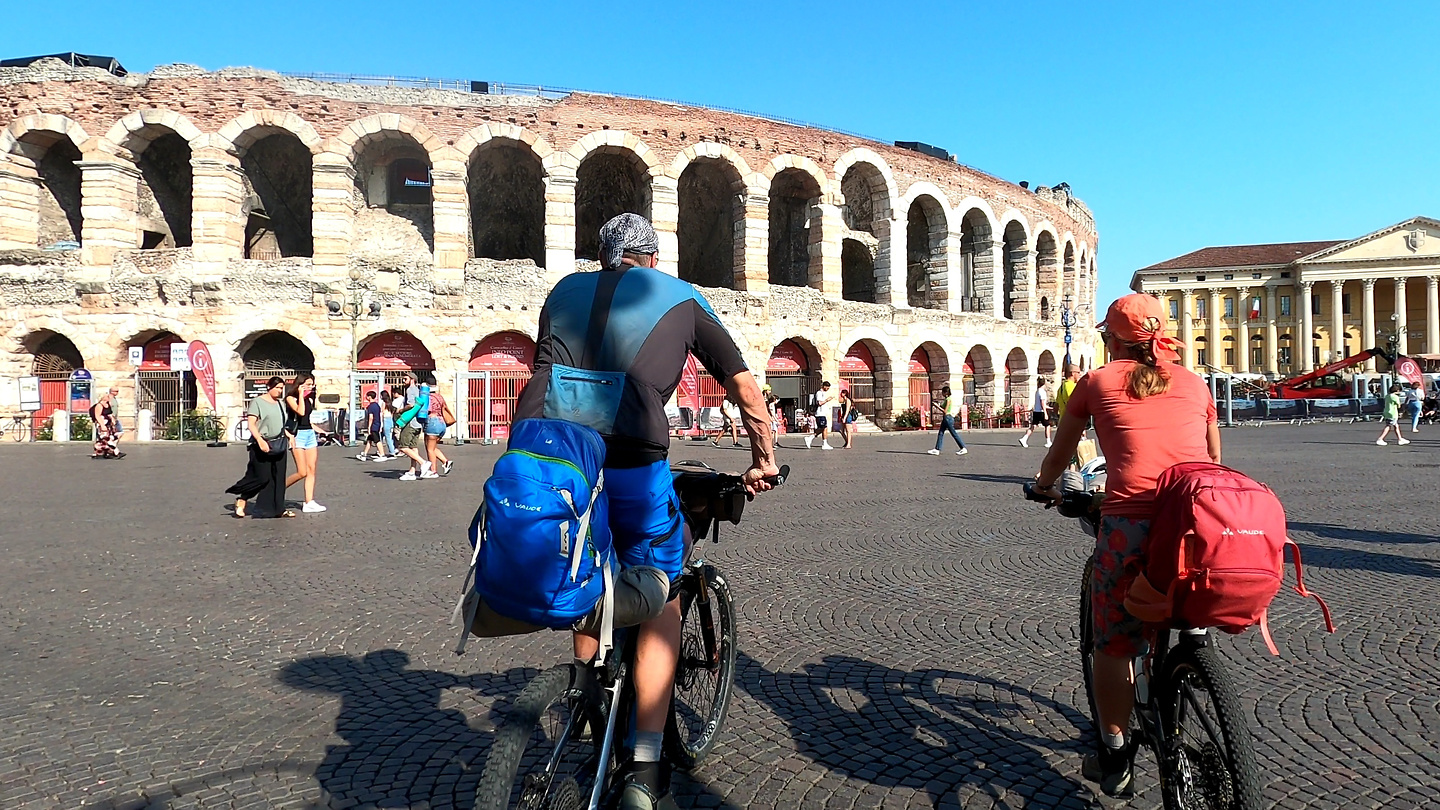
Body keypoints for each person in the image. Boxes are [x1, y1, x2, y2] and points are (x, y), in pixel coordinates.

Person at [507, 213, 778, 808]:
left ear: (604, 257)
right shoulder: (681, 299)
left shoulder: (562, 291)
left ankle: (585, 695)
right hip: (632, 459)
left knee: (579, 561)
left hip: (545, 458)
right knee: (661, 589)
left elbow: (545, 370)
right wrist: (764, 456)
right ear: (652, 257)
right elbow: (743, 387)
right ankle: (646, 764)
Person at [1031, 293, 1221, 797]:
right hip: (1202, 520)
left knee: (1113, 645)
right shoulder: (1195, 383)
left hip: (1131, 524)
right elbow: (1213, 459)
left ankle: (1115, 755)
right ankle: (1195, 645)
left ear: (1112, 339)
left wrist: (1044, 486)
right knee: (1189, 604)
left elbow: (1060, 454)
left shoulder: (1096, 383)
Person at [226, 377, 294, 519]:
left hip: (279, 444)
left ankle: (278, 509)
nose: (279, 391)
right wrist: (260, 440)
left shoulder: (280, 404)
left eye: (282, 388)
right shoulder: (257, 402)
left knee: (278, 478)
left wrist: (290, 436)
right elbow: (251, 424)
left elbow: (281, 424)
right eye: (277, 387)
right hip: (261, 444)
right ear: (269, 387)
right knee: (262, 477)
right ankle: (242, 499)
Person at [283, 372, 326, 513]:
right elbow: (300, 412)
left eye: (311, 385)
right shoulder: (291, 398)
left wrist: (320, 430)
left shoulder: (310, 400)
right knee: (302, 471)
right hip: (297, 435)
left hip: (309, 435)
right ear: (299, 384)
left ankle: (309, 502)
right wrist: (301, 394)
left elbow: (307, 419)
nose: (310, 387)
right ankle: (278, 489)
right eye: (307, 384)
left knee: (311, 469)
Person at [394, 372, 432, 480]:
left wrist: (400, 410)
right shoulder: (419, 390)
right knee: (413, 447)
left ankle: (423, 463)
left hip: (410, 422)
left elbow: (411, 405)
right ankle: (412, 471)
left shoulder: (410, 390)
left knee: (403, 446)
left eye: (405, 378)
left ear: (412, 379)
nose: (403, 380)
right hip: (418, 423)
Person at [421, 372, 454, 477]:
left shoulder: (428, 397)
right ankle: (445, 462)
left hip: (432, 422)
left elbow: (427, 410)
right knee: (433, 447)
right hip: (442, 423)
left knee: (429, 449)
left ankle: (433, 471)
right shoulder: (440, 396)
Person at [926, 385, 968, 456]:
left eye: (942, 392)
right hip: (946, 418)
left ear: (946, 393)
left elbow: (945, 411)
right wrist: (938, 404)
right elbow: (943, 407)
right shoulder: (947, 399)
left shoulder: (948, 399)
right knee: (941, 433)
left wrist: (937, 406)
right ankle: (937, 449)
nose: (942, 394)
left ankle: (963, 448)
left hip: (948, 418)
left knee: (953, 434)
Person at [89, 387, 124, 459]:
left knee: (103, 439)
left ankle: (99, 453)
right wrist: (102, 425)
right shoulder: (99, 405)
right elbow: (97, 415)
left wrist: (113, 420)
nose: (109, 397)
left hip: (108, 423)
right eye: (107, 396)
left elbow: (109, 413)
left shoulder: (107, 404)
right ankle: (116, 452)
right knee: (107, 438)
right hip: (102, 423)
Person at [1020, 377, 1053, 448]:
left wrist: (1050, 408)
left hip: (1036, 411)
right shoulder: (1042, 392)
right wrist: (1045, 413)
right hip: (1041, 412)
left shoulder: (1037, 391)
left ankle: (1024, 438)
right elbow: (1042, 403)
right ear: (1044, 383)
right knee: (1047, 426)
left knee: (1034, 425)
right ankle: (1048, 441)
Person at [806, 381, 837, 450]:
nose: (828, 389)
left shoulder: (823, 393)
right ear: (824, 386)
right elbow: (819, 403)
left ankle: (823, 443)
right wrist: (827, 400)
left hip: (823, 413)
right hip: (819, 413)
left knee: (824, 428)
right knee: (823, 428)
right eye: (827, 387)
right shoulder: (819, 393)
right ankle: (811, 438)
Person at [357, 390, 385, 461]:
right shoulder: (377, 405)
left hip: (373, 425)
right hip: (377, 424)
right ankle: (364, 454)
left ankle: (382, 454)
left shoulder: (370, 406)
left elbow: (371, 417)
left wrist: (369, 427)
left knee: (377, 440)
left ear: (369, 397)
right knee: (369, 440)